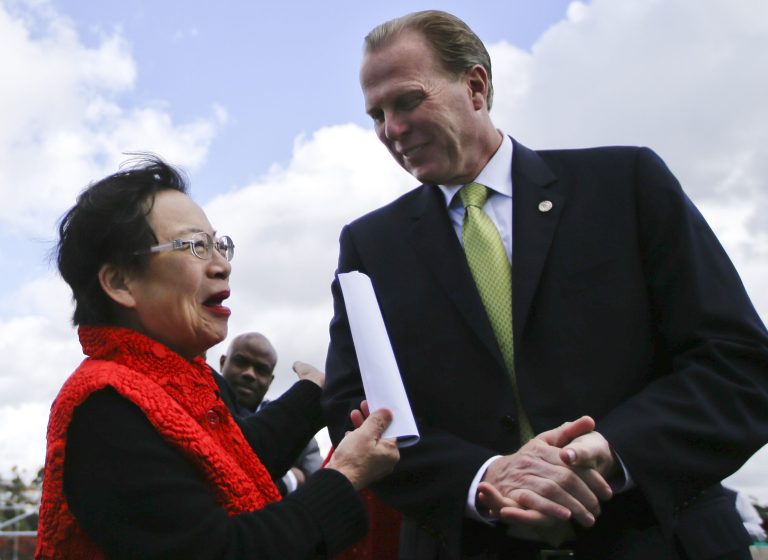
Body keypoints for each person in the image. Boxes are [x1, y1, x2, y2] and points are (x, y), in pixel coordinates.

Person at [322, 9, 768, 559]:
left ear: (477, 85)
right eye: (376, 114)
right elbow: (354, 412)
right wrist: (485, 479)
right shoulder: (370, 246)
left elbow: (738, 364)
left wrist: (606, 451)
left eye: (408, 101)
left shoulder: (625, 186)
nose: (391, 129)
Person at [36, 155, 399, 560]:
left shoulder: (186, 383)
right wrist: (344, 476)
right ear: (121, 282)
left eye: (219, 245)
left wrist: (315, 392)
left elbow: (234, 457)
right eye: (196, 246)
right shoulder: (103, 406)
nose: (222, 265)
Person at [218, 332, 323, 495]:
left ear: (270, 381)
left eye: (261, 370)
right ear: (222, 362)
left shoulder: (296, 426)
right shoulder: (199, 406)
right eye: (241, 362)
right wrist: (290, 479)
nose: (249, 373)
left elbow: (316, 486)